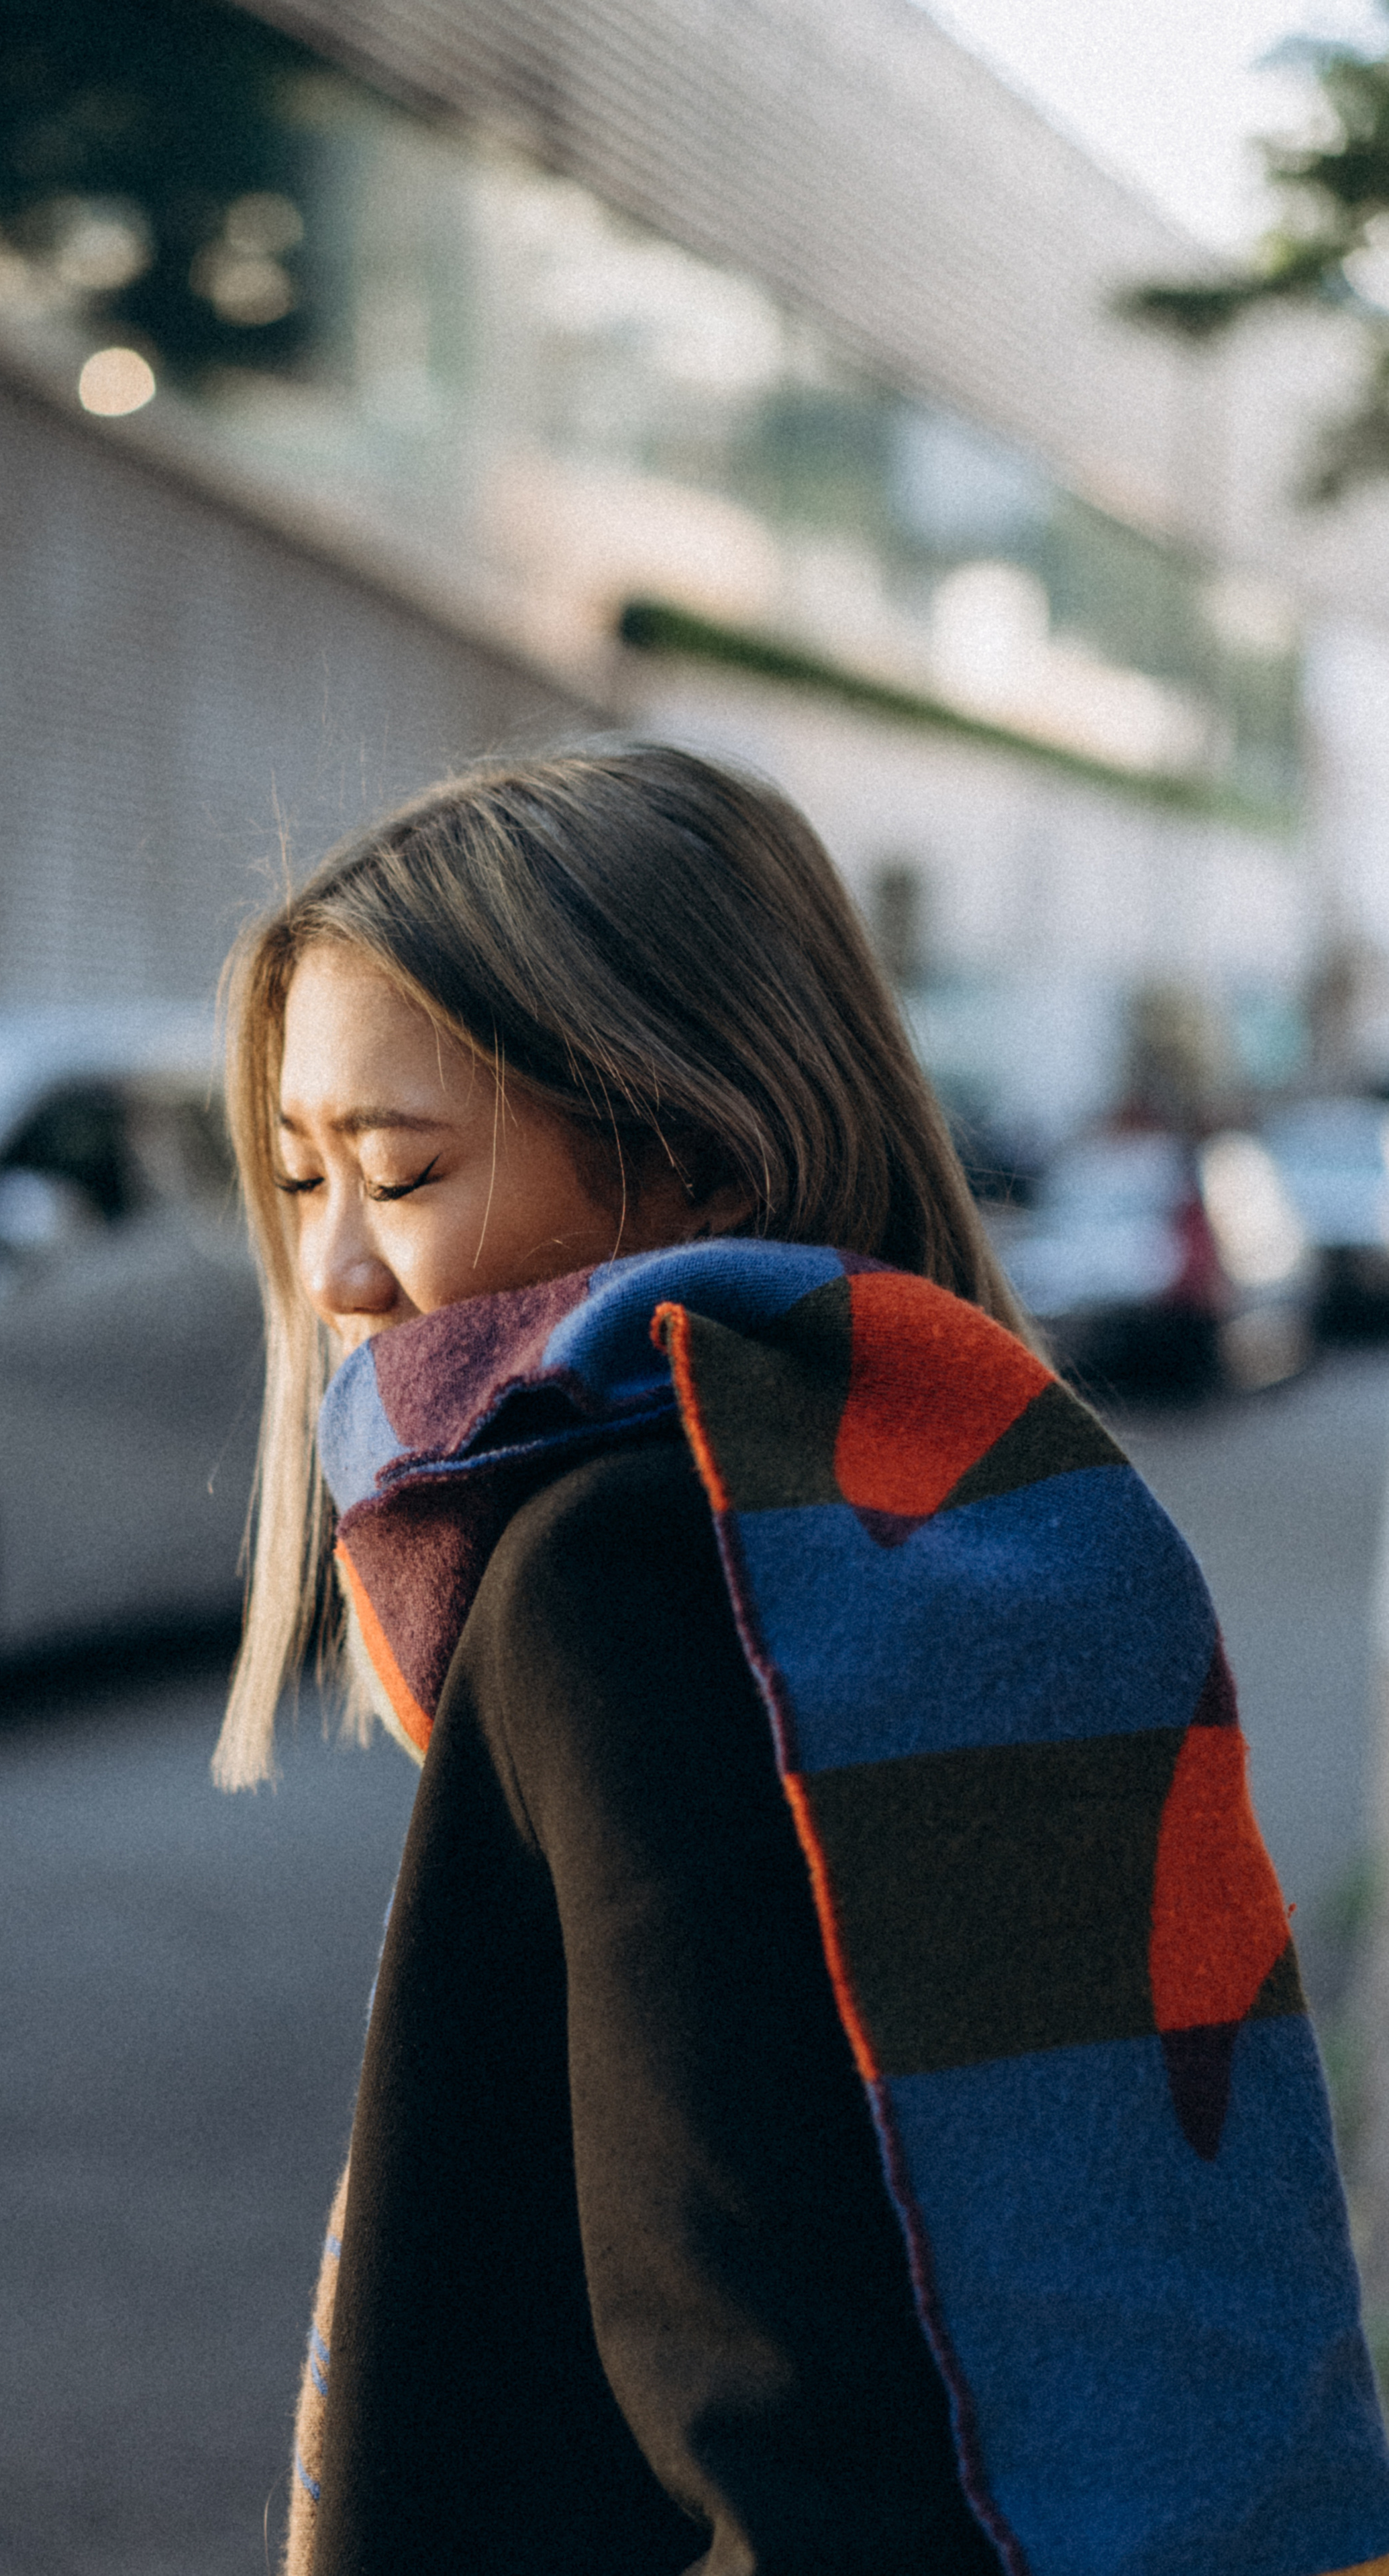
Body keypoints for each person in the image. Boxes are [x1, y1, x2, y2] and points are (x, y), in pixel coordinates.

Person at [215, 744, 1389, 2576]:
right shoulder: (1010, 1510)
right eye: (301, 1180)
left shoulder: (619, 1566)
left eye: (403, 1169)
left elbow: (761, 2393)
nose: (340, 1275)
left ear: (685, 1137)